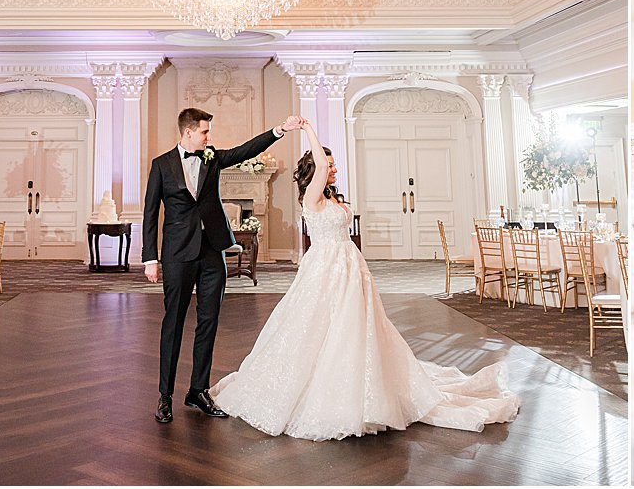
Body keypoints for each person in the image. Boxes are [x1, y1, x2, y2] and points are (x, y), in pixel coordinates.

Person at [209, 117, 521, 440]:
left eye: (332, 166)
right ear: (315, 170)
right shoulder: (312, 197)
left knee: (358, 328)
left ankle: (364, 387)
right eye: (328, 166)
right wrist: (307, 129)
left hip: (350, 267)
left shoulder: (330, 196)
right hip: (326, 269)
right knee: (321, 328)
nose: (332, 170)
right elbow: (318, 163)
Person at [143, 106, 302, 424]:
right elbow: (149, 213)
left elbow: (245, 151)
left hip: (212, 252)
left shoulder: (210, 157)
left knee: (209, 321)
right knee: (173, 324)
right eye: (204, 131)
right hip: (177, 254)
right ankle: (165, 396)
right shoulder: (161, 166)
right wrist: (150, 258)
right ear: (188, 132)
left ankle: (198, 391)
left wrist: (280, 130)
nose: (208, 137)